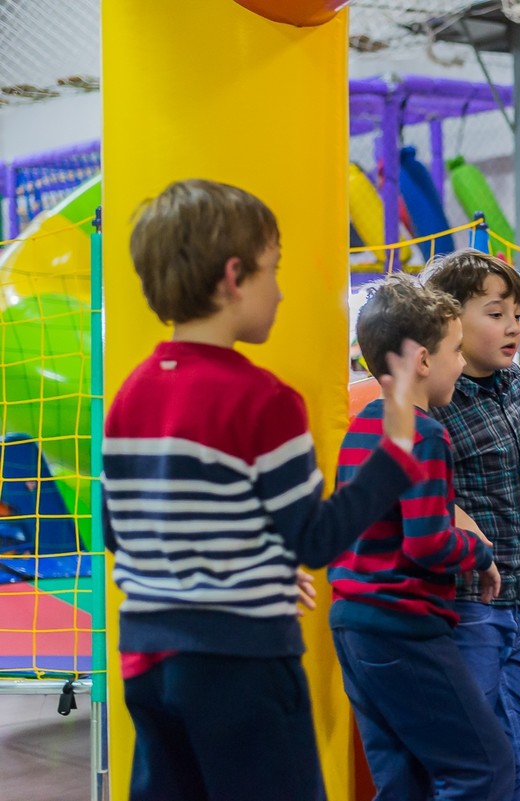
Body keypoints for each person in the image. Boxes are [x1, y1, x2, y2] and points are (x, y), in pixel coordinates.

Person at [101, 179, 425, 801]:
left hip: (147, 659)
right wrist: (398, 448)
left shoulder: (130, 397)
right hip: (242, 664)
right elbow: (315, 538)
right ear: (233, 277)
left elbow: (120, 531)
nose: (279, 290)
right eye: (273, 271)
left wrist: (251, 563)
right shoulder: (264, 400)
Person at [328, 277, 514, 800]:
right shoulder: (424, 433)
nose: (460, 362)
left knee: (401, 780)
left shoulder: (364, 425)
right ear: (424, 362)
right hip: (402, 627)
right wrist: (480, 553)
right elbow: (428, 543)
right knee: (486, 767)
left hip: (353, 627)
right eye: (454, 350)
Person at [424, 249, 520, 800]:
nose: (514, 327)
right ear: (449, 322)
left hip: (515, 605)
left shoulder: (519, 386)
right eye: (495, 314)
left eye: (518, 314)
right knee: (488, 751)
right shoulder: (436, 406)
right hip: (467, 606)